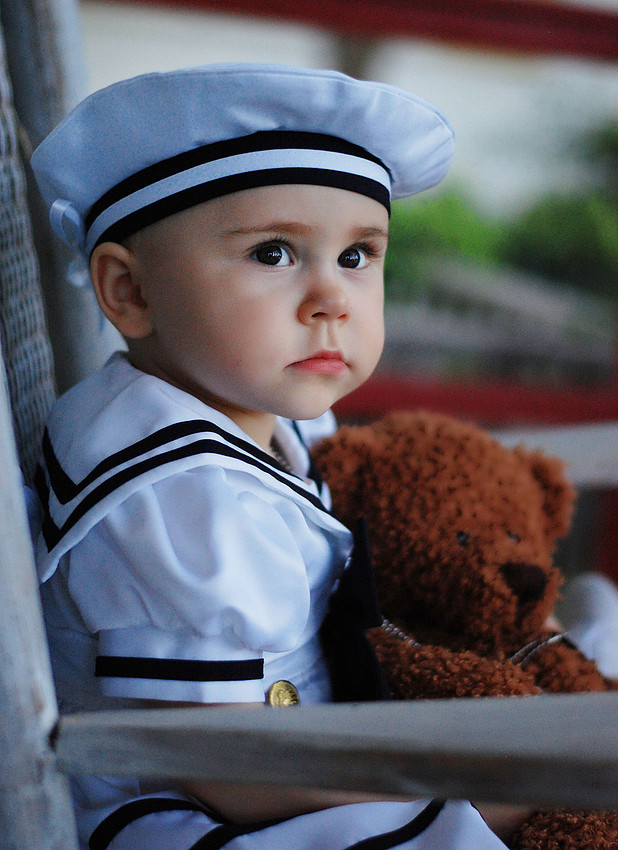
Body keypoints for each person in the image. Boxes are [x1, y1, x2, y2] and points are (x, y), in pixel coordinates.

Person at [31, 63, 523, 849]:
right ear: (131, 293)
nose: (332, 299)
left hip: (304, 749)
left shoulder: (268, 416)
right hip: (189, 808)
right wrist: (461, 787)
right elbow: (224, 764)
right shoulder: (181, 495)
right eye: (272, 253)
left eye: (357, 256)